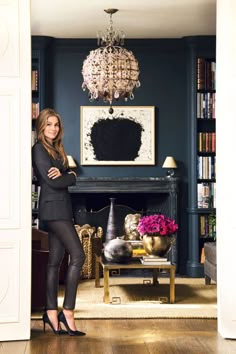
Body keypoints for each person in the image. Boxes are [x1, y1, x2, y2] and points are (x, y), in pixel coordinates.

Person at [32, 108, 86, 336]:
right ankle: (68, 311)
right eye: (49, 124)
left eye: (56, 124)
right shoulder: (39, 149)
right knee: (79, 255)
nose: (53, 128)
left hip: (62, 209)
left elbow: (69, 175)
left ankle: (51, 312)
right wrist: (70, 177)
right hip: (53, 211)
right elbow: (53, 182)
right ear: (41, 126)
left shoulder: (56, 149)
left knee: (54, 262)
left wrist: (68, 175)